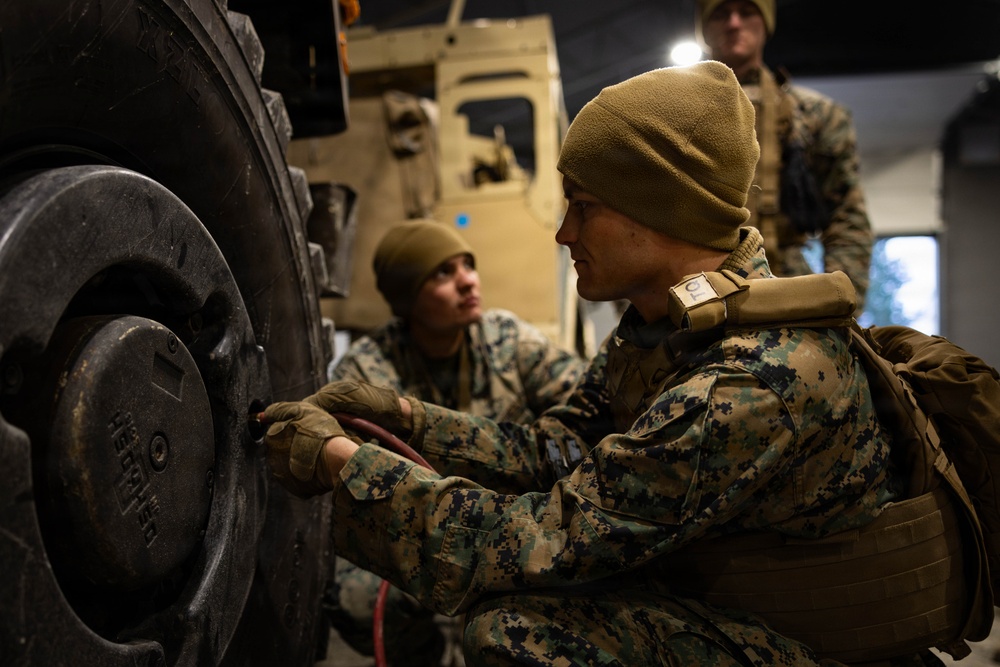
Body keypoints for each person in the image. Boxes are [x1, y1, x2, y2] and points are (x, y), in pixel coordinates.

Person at [262, 62, 957, 665]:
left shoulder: (752, 379)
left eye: (584, 206)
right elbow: (553, 448)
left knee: (521, 631)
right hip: (741, 620)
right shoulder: (668, 328)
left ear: (659, 210)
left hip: (819, 649)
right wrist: (408, 416)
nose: (564, 232)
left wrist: (342, 464)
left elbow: (545, 539)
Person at [326, 218, 588, 665]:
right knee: (354, 597)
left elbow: (583, 403)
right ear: (408, 298)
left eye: (468, 265)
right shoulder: (367, 373)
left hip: (513, 527)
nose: (468, 281)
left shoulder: (504, 338)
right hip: (423, 534)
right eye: (443, 273)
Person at [697, 0, 874, 311]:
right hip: (691, 289)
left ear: (765, 23)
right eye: (721, 13)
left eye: (747, 12)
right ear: (704, 27)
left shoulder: (814, 116)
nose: (734, 23)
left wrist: (843, 308)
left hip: (784, 289)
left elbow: (847, 217)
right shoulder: (669, 114)